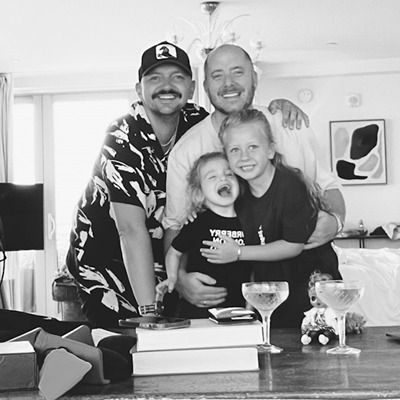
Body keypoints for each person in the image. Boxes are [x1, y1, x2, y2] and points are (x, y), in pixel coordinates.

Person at [65, 41, 304, 327]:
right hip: (106, 260)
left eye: (176, 77)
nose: (166, 85)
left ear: (192, 89)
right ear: (139, 89)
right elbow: (129, 231)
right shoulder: (121, 137)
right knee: (124, 350)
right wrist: (150, 312)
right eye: (155, 78)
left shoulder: (196, 122)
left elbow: (238, 123)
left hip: (159, 259)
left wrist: (279, 108)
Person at [163, 44, 346, 311]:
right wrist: (179, 280)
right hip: (237, 281)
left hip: (308, 269)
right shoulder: (187, 150)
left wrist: (336, 222)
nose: (228, 84)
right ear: (204, 86)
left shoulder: (288, 124)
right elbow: (176, 224)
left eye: (238, 72)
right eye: (217, 75)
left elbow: (328, 186)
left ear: (255, 78)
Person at [201, 109, 342, 328]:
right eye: (235, 150)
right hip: (274, 284)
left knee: (315, 340)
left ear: (270, 150)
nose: (244, 157)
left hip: (311, 281)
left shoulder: (290, 184)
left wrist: (237, 253)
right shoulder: (239, 190)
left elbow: (293, 246)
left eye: (253, 147)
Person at [157, 152, 249, 318]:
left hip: (238, 309)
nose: (223, 179)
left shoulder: (249, 221)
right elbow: (174, 252)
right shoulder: (198, 222)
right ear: (199, 193)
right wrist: (172, 278)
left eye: (229, 174)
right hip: (199, 309)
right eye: (212, 177)